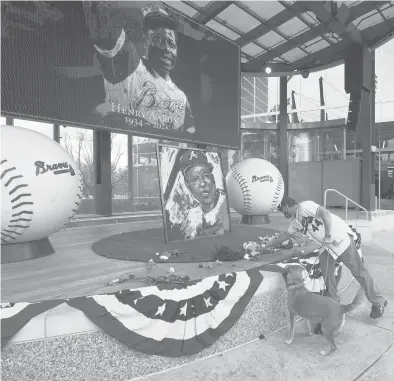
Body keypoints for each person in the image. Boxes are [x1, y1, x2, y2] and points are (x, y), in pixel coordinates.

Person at [264, 196, 387, 321]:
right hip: (327, 248)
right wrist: (266, 245)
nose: (282, 212)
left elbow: (325, 213)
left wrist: (328, 235)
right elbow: (286, 235)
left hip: (340, 240)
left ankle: (378, 302)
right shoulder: (296, 222)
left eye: (282, 209)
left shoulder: (304, 206)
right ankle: (334, 310)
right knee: (328, 277)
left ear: (287, 205)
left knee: (359, 272)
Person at [83, 2, 195, 133]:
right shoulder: (131, 66)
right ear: (145, 41)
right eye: (158, 39)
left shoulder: (181, 97)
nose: (166, 48)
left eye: (171, 43)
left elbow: (190, 134)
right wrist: (100, 19)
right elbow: (108, 39)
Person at [164, 150, 230, 241]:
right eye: (194, 179)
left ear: (212, 177)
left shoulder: (225, 205)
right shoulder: (192, 216)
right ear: (188, 186)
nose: (202, 183)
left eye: (206, 175)